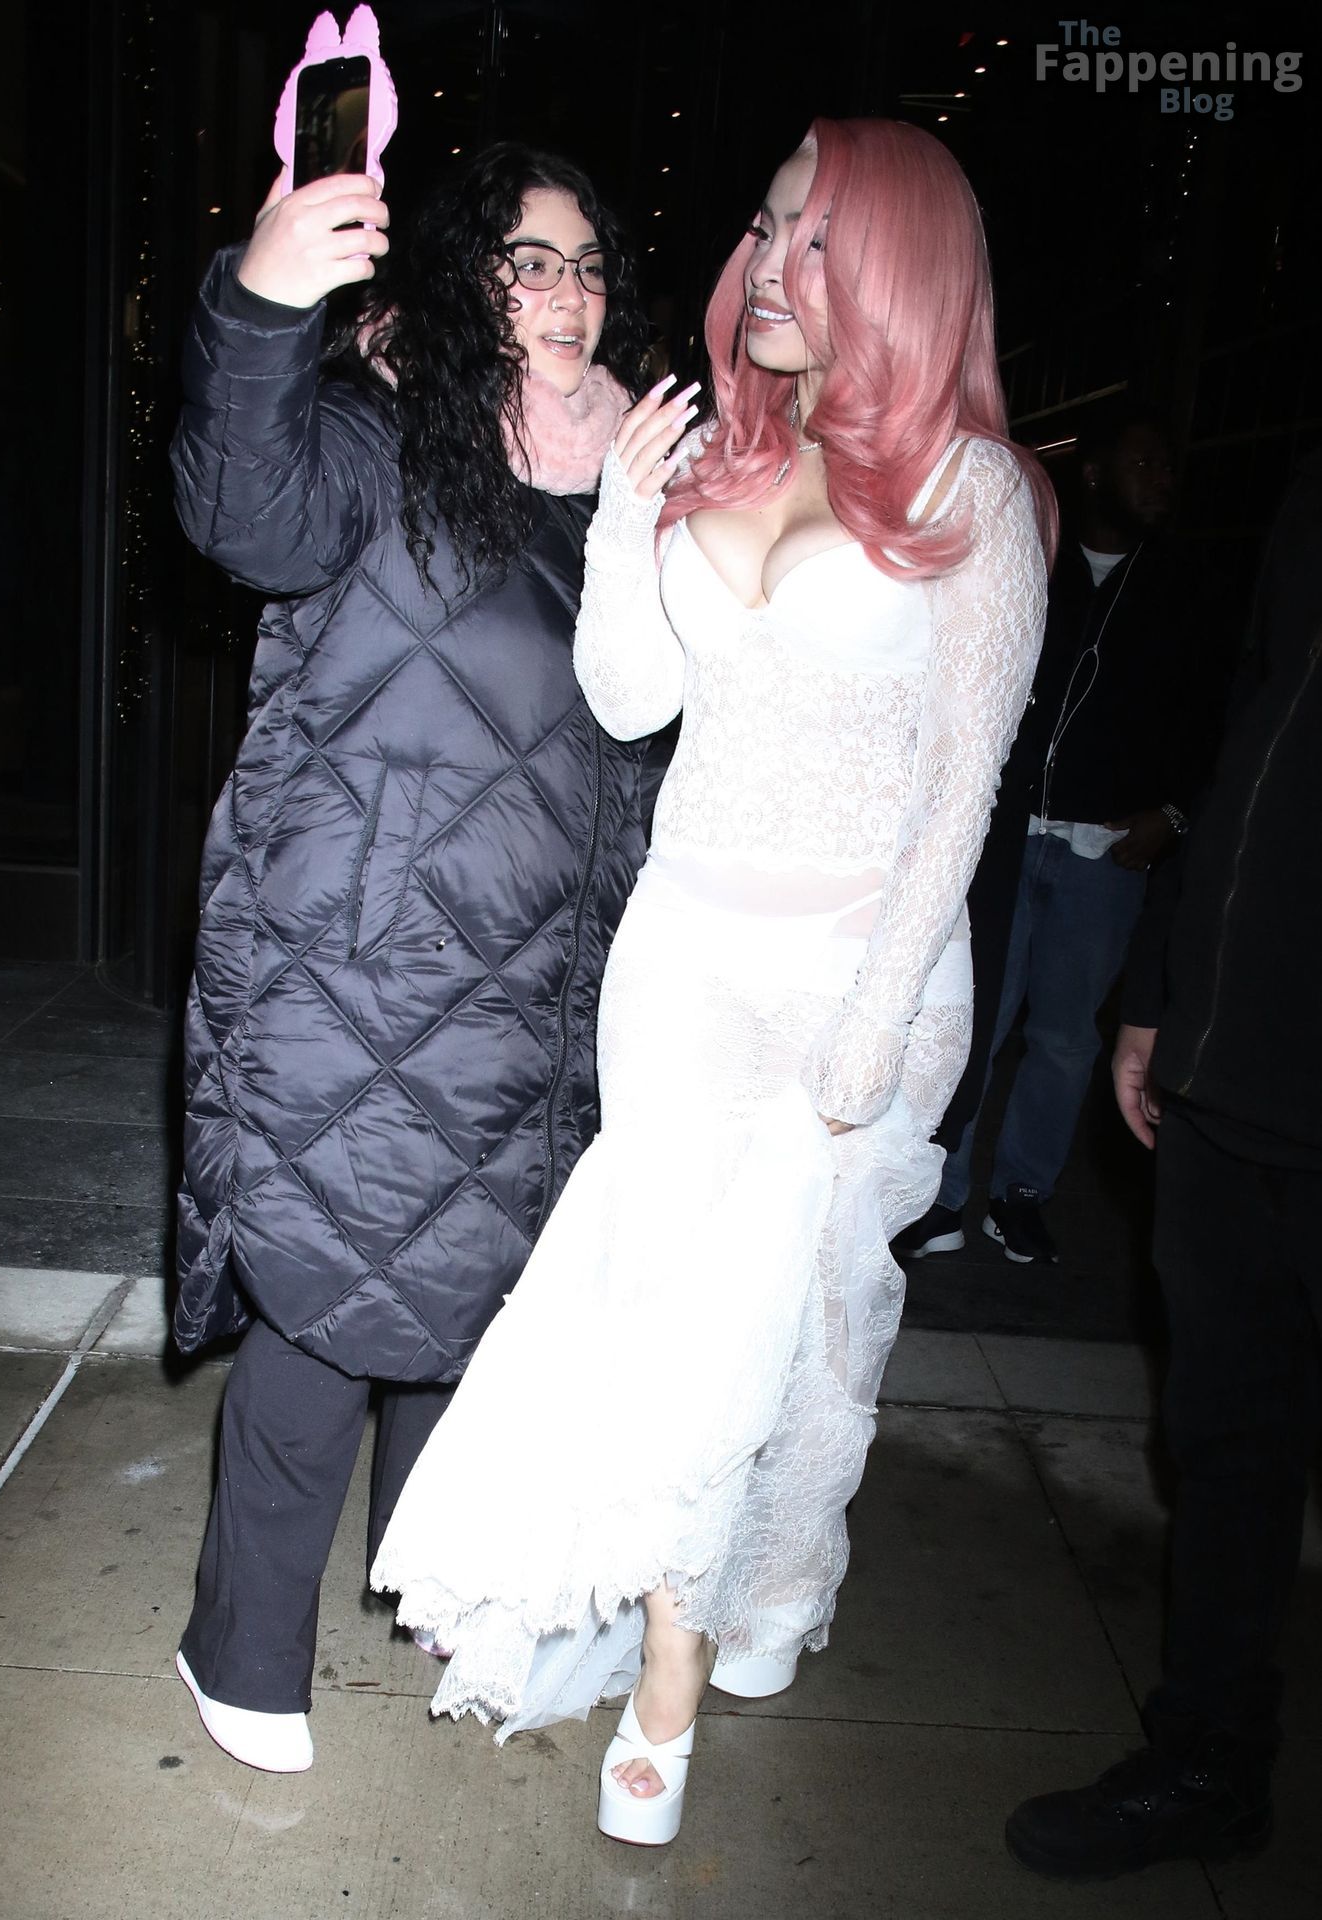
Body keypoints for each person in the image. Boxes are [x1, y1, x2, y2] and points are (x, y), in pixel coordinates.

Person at [371, 117, 1054, 1844]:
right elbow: (627, 702)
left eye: (814, 238)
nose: (766, 262)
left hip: (858, 973)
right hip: (679, 954)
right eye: (764, 225)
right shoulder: (719, 453)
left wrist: (877, 1014)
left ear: (896, 270)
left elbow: (960, 792)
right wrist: (623, 519)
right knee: (678, 1318)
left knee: (812, 1337)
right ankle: (663, 1676)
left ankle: (768, 1585)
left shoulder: (975, 496)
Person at [168, 143, 654, 1773]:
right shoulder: (382, 435)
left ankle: (431, 1569)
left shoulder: (629, 480)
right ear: (461, 280)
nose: (566, 295)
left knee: (480, 1295)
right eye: (526, 262)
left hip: (547, 982)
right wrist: (263, 308)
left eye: (585, 264)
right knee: (336, 1300)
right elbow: (242, 507)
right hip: (365, 963)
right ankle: (238, 1649)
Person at [1006, 447, 1322, 1879]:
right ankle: (1207, 1763)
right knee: (1227, 1447)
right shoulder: (1305, 494)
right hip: (1226, 1067)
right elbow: (1248, 734)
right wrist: (1155, 986)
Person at [899, 403, 1228, 1265]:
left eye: (1168, 468)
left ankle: (1021, 1195)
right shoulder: (1036, 559)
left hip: (1105, 853)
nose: (1162, 481)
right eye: (1144, 463)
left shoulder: (1186, 586)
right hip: (1007, 837)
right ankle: (939, 1193)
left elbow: (1215, 721)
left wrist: (1175, 814)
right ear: (1093, 472)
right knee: (974, 1016)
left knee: (1065, 1037)